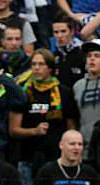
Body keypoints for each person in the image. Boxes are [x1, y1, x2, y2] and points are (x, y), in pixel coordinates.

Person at [11, 49, 79, 177]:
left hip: (57, 158)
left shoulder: (64, 93)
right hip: (27, 156)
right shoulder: (22, 93)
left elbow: (72, 128)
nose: (36, 68)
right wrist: (34, 131)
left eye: (41, 64)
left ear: (50, 68)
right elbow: (13, 130)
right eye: (34, 64)